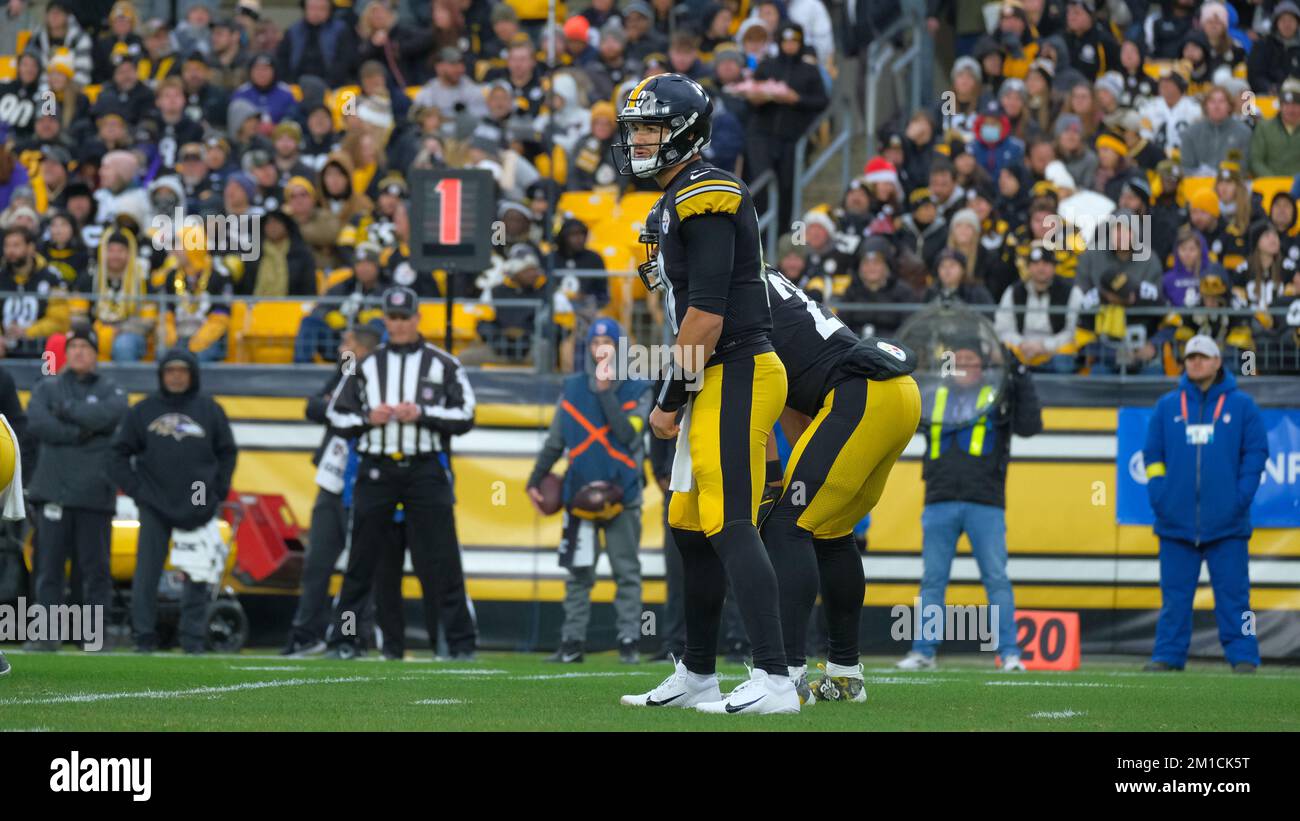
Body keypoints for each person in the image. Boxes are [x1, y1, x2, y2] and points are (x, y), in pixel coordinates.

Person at [613, 73, 796, 714]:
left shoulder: (707, 192)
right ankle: (697, 673)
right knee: (688, 525)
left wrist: (668, 398)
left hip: (738, 367)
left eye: (649, 128)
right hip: (714, 374)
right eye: (633, 127)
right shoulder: (673, 200)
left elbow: (708, 317)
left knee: (729, 522)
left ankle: (776, 679)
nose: (636, 140)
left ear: (684, 132)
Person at [759, 267, 920, 704]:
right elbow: (792, 397)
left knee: (784, 525)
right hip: (898, 395)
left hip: (860, 395)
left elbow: (757, 394)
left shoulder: (731, 295)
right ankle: (845, 677)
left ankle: (787, 675)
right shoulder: (769, 284)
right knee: (830, 530)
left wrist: (774, 478)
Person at [324, 286, 477, 659]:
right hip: (377, 468)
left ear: (417, 318)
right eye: (392, 318)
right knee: (361, 558)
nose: (399, 325)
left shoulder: (444, 364)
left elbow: (466, 415)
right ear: (385, 320)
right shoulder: (366, 364)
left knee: (443, 557)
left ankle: (458, 644)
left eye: (405, 317)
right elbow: (335, 414)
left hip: (425, 468)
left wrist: (423, 414)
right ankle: (343, 639)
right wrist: (366, 418)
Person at [898, 338, 1042, 671]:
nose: (964, 364)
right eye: (958, 358)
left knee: (996, 578)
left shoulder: (999, 397)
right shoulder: (934, 394)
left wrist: (1021, 375)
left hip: (985, 502)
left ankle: (1009, 653)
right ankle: (923, 652)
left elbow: (1031, 426)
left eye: (971, 359)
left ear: (984, 366)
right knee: (933, 580)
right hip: (939, 500)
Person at [526, 318, 652, 664]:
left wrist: (605, 392)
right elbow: (555, 441)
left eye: (607, 344)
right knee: (579, 574)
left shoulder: (639, 388)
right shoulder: (572, 386)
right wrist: (534, 480)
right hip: (579, 494)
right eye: (595, 344)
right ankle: (572, 642)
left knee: (626, 570)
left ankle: (629, 640)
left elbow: (629, 434)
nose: (601, 350)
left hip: (622, 494)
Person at [1142, 335, 1268, 673]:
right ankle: (1167, 655)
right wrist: (1160, 495)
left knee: (1238, 601)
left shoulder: (1243, 406)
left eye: (1202, 357)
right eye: (1190, 357)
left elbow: (1256, 455)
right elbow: (1152, 456)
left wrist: (1240, 498)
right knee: (1174, 600)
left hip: (1228, 524)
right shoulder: (1167, 406)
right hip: (1175, 523)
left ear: (1217, 362)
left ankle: (1245, 656)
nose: (1195, 362)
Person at [109, 348, 238, 653]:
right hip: (154, 503)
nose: (176, 376)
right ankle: (144, 637)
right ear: (161, 375)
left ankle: (192, 639)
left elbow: (227, 452)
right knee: (147, 572)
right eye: (170, 371)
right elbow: (117, 454)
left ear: (192, 375)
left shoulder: (210, 410)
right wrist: (138, 491)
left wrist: (217, 491)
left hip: (198, 504)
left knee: (197, 571)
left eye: (182, 370)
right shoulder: (143, 411)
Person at [25, 325, 128, 651]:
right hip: (53, 490)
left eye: (85, 346)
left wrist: (68, 413)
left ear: (96, 353)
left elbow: (110, 416)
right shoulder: (47, 388)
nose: (79, 352)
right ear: (66, 353)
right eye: (74, 346)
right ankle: (45, 635)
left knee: (95, 571)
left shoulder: (112, 389)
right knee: (48, 568)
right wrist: (83, 433)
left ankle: (94, 636)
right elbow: (39, 424)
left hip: (95, 493)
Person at [282, 325, 381, 657]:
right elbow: (312, 406)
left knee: (358, 564)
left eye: (347, 343)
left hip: (363, 477)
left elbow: (350, 415)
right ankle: (306, 634)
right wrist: (337, 411)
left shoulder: (376, 377)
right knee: (317, 562)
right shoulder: (343, 373)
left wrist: (337, 411)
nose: (341, 348)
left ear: (363, 348)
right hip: (332, 476)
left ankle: (353, 636)